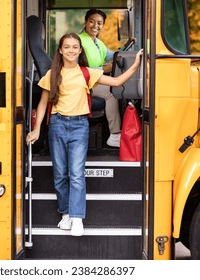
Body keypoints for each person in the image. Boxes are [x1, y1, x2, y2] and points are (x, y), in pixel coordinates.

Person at [26, 33, 142, 236]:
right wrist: (36, 129)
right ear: (61, 50)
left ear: (80, 51)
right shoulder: (52, 74)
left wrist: (136, 64)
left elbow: (116, 82)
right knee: (60, 174)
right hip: (57, 125)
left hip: (79, 126)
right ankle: (66, 214)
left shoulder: (87, 73)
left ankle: (77, 218)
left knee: (77, 173)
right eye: (67, 47)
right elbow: (43, 103)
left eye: (75, 47)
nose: (71, 50)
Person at [79, 9, 122, 147]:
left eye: (99, 23)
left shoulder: (98, 43)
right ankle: (115, 135)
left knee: (120, 88)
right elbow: (78, 68)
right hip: (84, 83)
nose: (95, 26)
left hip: (95, 80)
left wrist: (127, 49)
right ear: (86, 22)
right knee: (112, 94)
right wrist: (103, 69)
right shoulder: (79, 40)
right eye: (91, 21)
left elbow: (113, 56)